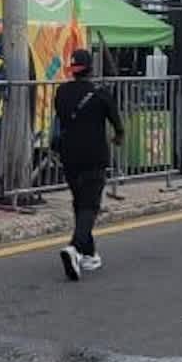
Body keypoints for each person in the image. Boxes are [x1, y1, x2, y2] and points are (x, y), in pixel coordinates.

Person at [51, 48, 124, 280]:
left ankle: (90, 253)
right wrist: (118, 137)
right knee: (90, 206)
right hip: (94, 155)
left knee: (80, 203)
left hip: (69, 155)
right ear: (91, 69)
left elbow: (60, 119)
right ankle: (74, 248)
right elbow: (117, 124)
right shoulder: (100, 93)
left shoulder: (61, 92)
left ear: (72, 70)